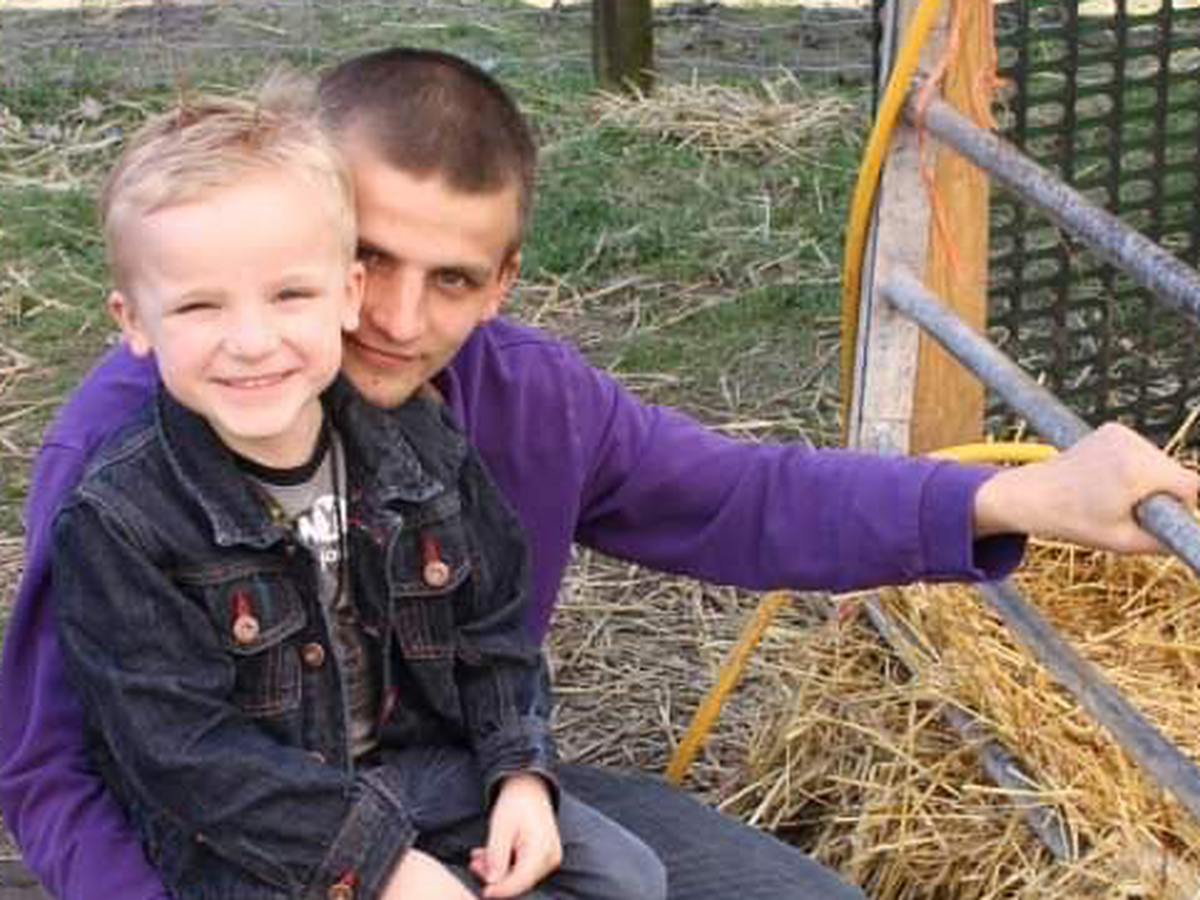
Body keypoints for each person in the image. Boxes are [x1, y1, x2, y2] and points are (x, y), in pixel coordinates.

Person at [1, 46, 1196, 900]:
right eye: (371, 258)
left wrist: (1019, 495)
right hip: (233, 852)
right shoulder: (133, 447)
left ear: (505, 281)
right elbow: (52, 769)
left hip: (466, 803)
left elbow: (741, 498)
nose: (398, 321)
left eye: (453, 280)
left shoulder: (523, 401)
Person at [47, 81, 666, 900]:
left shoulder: (414, 442)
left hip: (411, 775)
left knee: (627, 874)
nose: (251, 341)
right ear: (133, 320)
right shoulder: (123, 519)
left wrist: (519, 772)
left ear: (347, 293)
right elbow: (185, 755)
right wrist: (382, 866)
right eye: (198, 305)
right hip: (251, 828)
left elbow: (490, 631)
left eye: (290, 295)